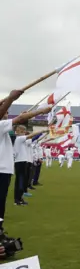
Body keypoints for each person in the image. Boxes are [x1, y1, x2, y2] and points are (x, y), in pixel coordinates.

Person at [0, 91, 49, 229]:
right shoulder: (2, 127)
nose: (6, 114)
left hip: (5, 168)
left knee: (2, 199)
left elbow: (19, 121)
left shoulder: (5, 129)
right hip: (3, 168)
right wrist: (41, 111)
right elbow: (19, 121)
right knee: (1, 200)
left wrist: (26, 115)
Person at [13, 126, 44, 205]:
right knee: (20, 181)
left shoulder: (21, 140)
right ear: (17, 131)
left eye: (24, 131)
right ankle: (18, 199)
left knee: (21, 180)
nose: (24, 132)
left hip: (22, 162)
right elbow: (31, 137)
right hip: (20, 162)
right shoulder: (19, 139)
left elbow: (32, 138)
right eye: (22, 131)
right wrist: (41, 131)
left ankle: (19, 198)